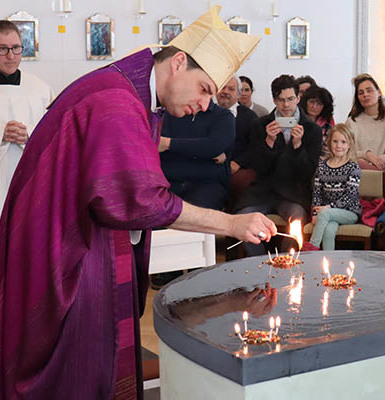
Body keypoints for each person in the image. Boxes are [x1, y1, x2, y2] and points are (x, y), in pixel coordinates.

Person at [0, 7, 276, 399]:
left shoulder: (133, 91)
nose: (203, 104)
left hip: (79, 236)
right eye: (203, 88)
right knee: (79, 369)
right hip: (66, 250)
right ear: (178, 62)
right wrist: (232, 224)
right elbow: (142, 200)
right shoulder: (117, 100)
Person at [235, 74, 322, 256]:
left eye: (290, 99)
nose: (286, 105)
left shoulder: (312, 129)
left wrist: (298, 147)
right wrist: (269, 142)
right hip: (264, 190)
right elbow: (258, 166)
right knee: (242, 218)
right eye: (281, 100)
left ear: (298, 98)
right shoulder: (260, 125)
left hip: (293, 192)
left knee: (297, 218)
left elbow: (308, 171)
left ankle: (285, 262)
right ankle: (261, 262)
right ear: (274, 100)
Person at [0, 21, 53, 213]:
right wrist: (2, 133)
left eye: (15, 48)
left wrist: (29, 134)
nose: (11, 56)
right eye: (3, 49)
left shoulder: (40, 89)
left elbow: (54, 131)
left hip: (32, 180)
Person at [159, 99, 234, 211]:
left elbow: (213, 146)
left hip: (206, 184)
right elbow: (156, 144)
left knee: (194, 219)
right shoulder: (169, 113)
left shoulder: (223, 116)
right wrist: (201, 149)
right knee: (152, 214)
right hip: (168, 181)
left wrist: (169, 143)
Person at [302, 124, 361, 251]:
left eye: (343, 142)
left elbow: (350, 197)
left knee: (324, 214)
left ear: (350, 144)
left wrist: (328, 208)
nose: (339, 146)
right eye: (335, 141)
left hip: (349, 212)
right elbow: (317, 193)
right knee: (329, 231)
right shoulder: (322, 166)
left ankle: (312, 247)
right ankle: (329, 262)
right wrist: (314, 214)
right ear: (329, 143)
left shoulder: (353, 167)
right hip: (328, 213)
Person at [215, 76, 259, 209]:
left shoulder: (250, 117)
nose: (226, 92)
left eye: (231, 89)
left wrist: (239, 162)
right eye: (223, 88)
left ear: (238, 94)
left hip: (237, 167)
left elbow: (255, 146)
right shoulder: (206, 113)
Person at [346, 73, 385, 178]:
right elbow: (347, 152)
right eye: (361, 92)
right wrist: (367, 155)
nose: (365, 95)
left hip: (382, 172)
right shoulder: (351, 122)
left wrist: (369, 161)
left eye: (369, 90)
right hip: (355, 173)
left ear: (379, 92)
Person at [298, 85, 335, 152]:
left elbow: (329, 150)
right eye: (312, 102)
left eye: (319, 104)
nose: (314, 106)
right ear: (305, 102)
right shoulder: (297, 121)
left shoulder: (327, 126)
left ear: (324, 107)